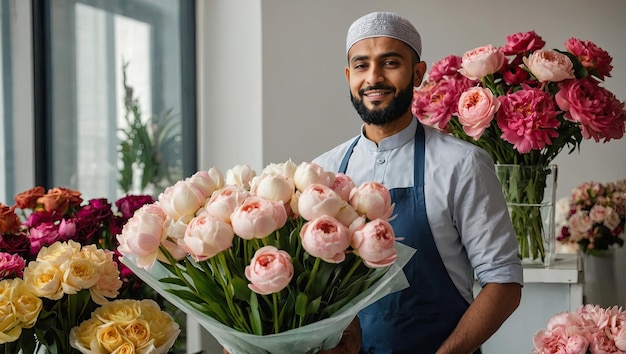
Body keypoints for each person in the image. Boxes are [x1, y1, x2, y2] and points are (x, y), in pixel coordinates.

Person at [311, 11, 524, 354]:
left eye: (390, 62)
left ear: (418, 73)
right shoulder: (323, 174)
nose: (374, 77)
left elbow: (504, 283)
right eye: (362, 66)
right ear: (349, 76)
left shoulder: (462, 164)